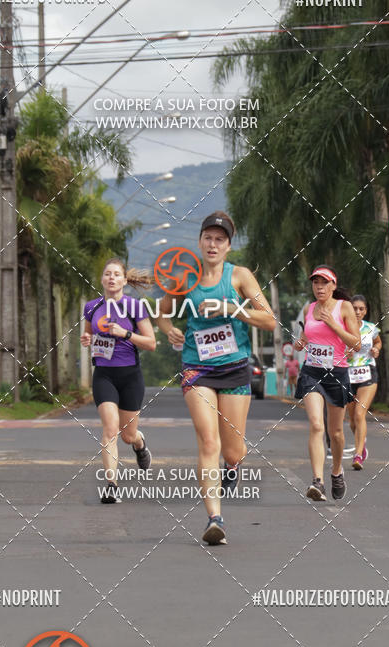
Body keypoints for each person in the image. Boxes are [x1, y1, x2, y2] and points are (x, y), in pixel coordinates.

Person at [157, 212, 276, 546]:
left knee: (234, 451)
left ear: (228, 245)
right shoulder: (185, 276)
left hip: (235, 366)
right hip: (198, 366)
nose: (213, 244)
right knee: (209, 441)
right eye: (208, 238)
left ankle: (233, 467)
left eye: (219, 239)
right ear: (199, 241)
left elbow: (269, 320)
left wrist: (233, 309)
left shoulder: (239, 276)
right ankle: (214, 518)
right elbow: (162, 314)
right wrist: (170, 331)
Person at [81, 258, 157, 503]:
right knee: (110, 429)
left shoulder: (134, 307)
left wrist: (125, 333)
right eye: (107, 274)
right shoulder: (92, 307)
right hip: (104, 375)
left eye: (116, 274)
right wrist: (86, 338)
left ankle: (139, 443)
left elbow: (151, 343)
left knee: (127, 434)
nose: (111, 278)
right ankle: (111, 485)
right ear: (102, 280)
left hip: (130, 376)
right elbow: (89, 333)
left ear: (125, 280)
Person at [293, 266, 360, 502]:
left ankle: (336, 472)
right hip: (312, 372)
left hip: (337, 374)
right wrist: (300, 344)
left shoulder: (344, 308)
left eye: (324, 283)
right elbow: (305, 337)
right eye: (315, 283)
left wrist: (333, 324)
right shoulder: (308, 308)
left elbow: (357, 343)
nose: (319, 287)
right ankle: (317, 482)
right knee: (315, 424)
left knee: (337, 432)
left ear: (333, 285)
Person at [346, 295, 382, 471]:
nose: (358, 312)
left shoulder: (370, 328)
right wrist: (345, 354)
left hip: (368, 374)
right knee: (352, 420)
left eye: (361, 309)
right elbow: (334, 351)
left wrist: (376, 350)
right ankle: (362, 443)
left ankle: (358, 455)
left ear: (365, 311)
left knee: (360, 414)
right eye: (354, 308)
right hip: (347, 376)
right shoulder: (342, 327)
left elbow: (377, 342)